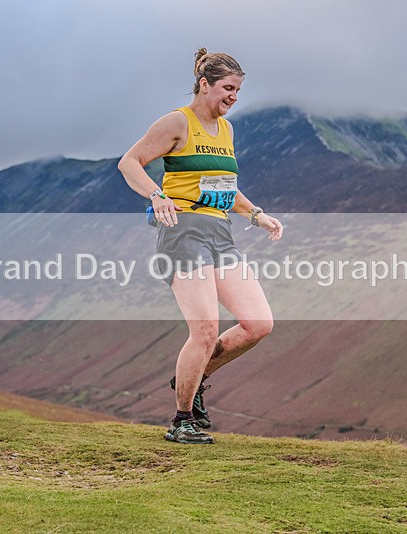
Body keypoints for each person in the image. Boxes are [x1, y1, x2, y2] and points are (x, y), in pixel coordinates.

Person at [118, 48, 283, 444]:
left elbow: (224, 186)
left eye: (238, 90)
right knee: (205, 329)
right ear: (204, 84)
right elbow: (130, 162)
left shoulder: (226, 130)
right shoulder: (178, 122)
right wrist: (156, 196)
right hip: (183, 232)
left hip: (220, 233)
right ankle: (182, 419)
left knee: (259, 323)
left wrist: (256, 214)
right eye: (228, 88)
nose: (234, 97)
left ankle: (193, 377)